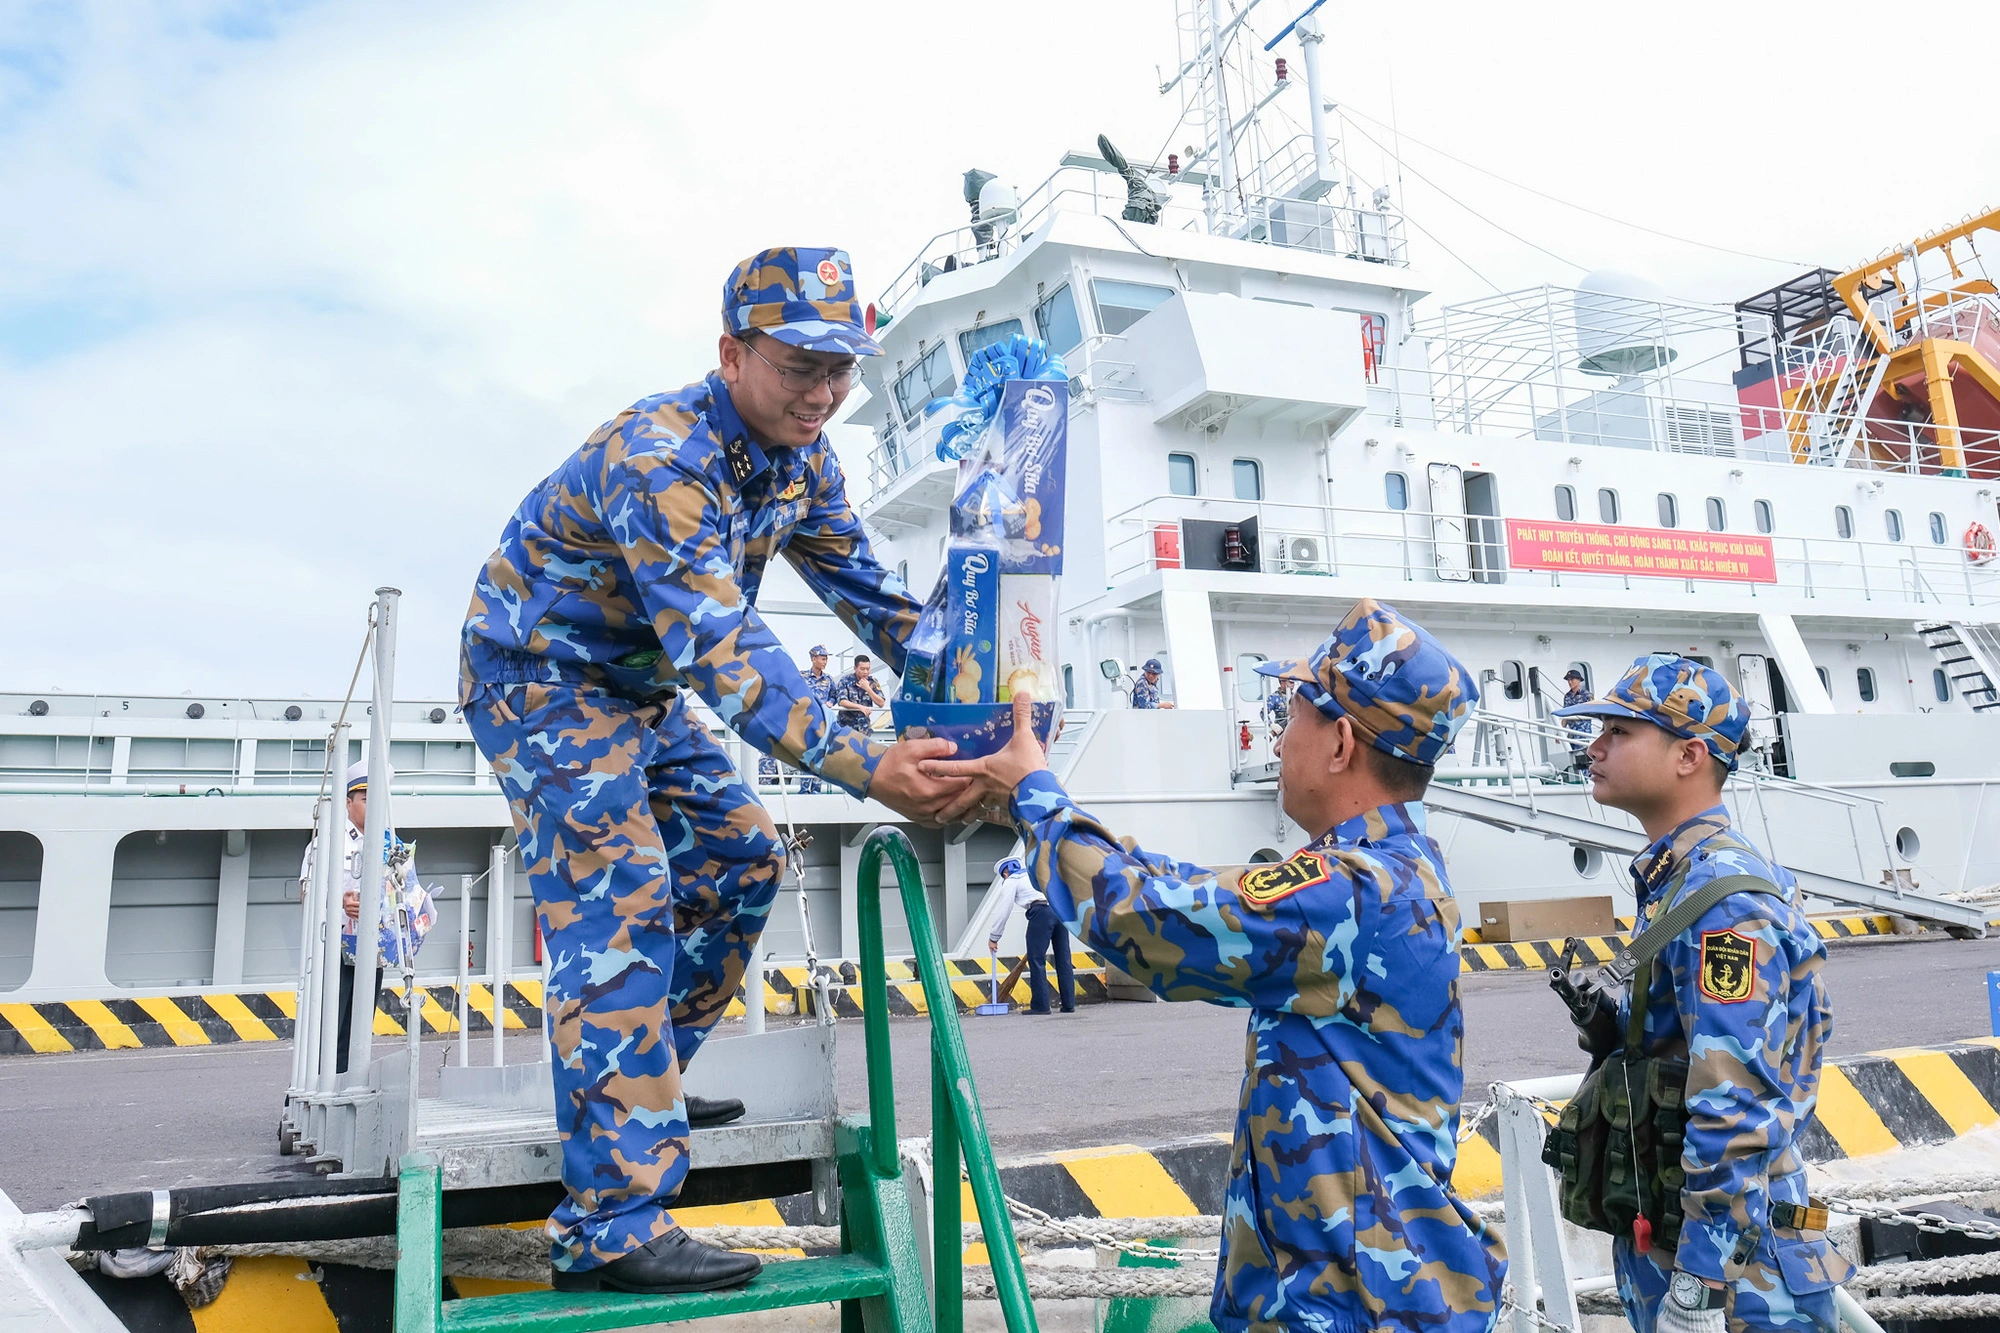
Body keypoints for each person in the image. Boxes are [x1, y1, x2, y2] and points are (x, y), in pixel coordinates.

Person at [458, 247, 970, 1295]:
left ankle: (637, 1082)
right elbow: (725, 653)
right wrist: (870, 765)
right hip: (539, 677)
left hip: (634, 688)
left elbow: (874, 603)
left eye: (841, 371)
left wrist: (984, 689)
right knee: (624, 890)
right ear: (731, 354)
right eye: (799, 367)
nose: (824, 394)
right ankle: (607, 1227)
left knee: (739, 861)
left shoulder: (802, 460)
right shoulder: (662, 455)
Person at [928, 599, 1506, 1333]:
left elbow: (1153, 922)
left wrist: (1036, 800)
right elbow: (1194, 892)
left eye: (1289, 711)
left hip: (1354, 1311)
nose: (1276, 732)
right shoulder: (1377, 873)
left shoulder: (1356, 890)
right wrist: (1050, 804)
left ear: (1338, 742)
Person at [1555, 656, 1851, 1333]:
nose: (1594, 746)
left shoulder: (1723, 903)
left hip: (1738, 1281)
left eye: (1620, 731)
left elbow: (1735, 1103)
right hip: (1695, 1254)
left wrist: (1695, 1286)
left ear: (1689, 755)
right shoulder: (1678, 882)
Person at [297, 761, 436, 1075]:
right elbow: (307, 894)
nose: (373, 806)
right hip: (332, 950)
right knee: (326, 1029)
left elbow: (406, 892)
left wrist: (421, 909)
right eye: (364, 799)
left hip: (372, 949)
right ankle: (307, 1100)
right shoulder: (327, 844)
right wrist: (340, 905)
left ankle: (344, 1094)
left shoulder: (393, 848)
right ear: (348, 803)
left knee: (357, 1033)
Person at [986, 856, 1073, 1014]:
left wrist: (994, 937)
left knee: (1037, 959)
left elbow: (1004, 910)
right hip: (1059, 911)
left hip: (1040, 913)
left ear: (1005, 873)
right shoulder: (1036, 874)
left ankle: (1041, 1006)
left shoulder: (1012, 880)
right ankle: (1068, 1004)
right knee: (1064, 959)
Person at [833, 652, 886, 731]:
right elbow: (842, 701)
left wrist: (868, 689)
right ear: (855, 668)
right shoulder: (845, 680)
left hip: (863, 727)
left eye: (868, 669)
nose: (865, 672)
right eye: (862, 669)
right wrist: (860, 707)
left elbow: (881, 703)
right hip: (846, 727)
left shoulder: (873, 681)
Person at [1560, 668, 1593, 758]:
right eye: (1568, 680)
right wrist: (1560, 731)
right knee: (1573, 757)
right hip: (1571, 732)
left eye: (1572, 679)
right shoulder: (1567, 696)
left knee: (1582, 757)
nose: (1570, 682)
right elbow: (1565, 715)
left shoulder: (1587, 695)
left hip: (1583, 732)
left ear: (1579, 680)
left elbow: (1592, 712)